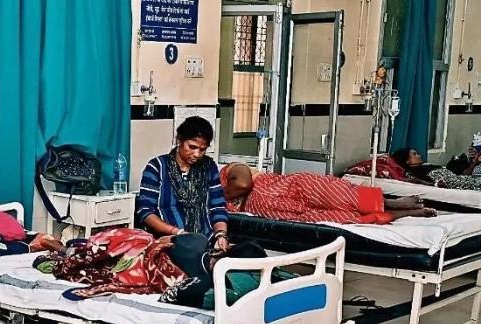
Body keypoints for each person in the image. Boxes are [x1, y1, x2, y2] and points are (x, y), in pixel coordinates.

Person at [220, 163, 435, 224]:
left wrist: (216, 194)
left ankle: (393, 202)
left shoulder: (229, 170)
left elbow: (244, 184)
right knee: (341, 217)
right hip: (286, 211)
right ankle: (403, 213)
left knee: (344, 196)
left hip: (295, 187)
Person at [136, 116, 230, 252]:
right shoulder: (157, 167)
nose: (197, 154)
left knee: (250, 250)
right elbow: (145, 212)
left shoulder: (209, 167)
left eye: (202, 149)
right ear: (179, 140)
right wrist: (178, 233)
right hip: (171, 240)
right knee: (193, 249)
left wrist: (221, 236)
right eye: (192, 147)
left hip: (206, 239)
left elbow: (218, 207)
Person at [392, 148, 481, 191]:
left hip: (462, 180)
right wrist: (435, 184)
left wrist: (475, 162)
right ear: (407, 160)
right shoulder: (412, 173)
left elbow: (462, 176)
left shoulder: (426, 166)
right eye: (415, 154)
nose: (419, 155)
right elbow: (416, 181)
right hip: (457, 184)